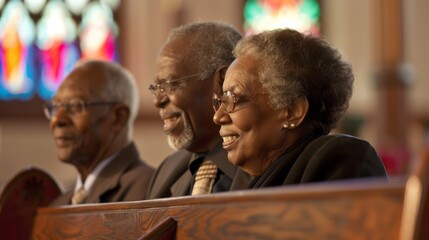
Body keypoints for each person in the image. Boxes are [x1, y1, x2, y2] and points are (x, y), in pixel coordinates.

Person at [212, 28, 387, 189]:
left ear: (292, 111)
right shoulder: (237, 179)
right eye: (220, 100)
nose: (218, 116)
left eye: (233, 99)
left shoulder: (341, 161)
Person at [146, 22, 243, 198]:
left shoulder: (263, 164)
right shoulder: (167, 171)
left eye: (170, 84)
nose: (158, 101)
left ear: (223, 82)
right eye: (157, 87)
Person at [45, 60, 155, 205]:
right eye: (55, 106)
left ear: (118, 118)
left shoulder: (149, 190)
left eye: (76, 106)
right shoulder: (58, 206)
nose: (57, 120)